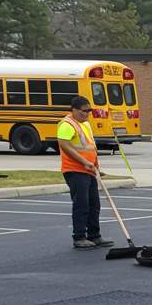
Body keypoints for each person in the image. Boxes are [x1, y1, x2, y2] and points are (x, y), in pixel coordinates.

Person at [56, 95, 112, 250]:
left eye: (89, 111)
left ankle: (95, 235)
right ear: (73, 110)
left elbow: (90, 147)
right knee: (82, 204)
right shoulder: (67, 124)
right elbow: (64, 145)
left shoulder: (85, 124)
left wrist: (96, 166)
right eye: (83, 111)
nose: (86, 114)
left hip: (89, 170)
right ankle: (79, 237)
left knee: (94, 204)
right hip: (75, 170)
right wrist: (83, 162)